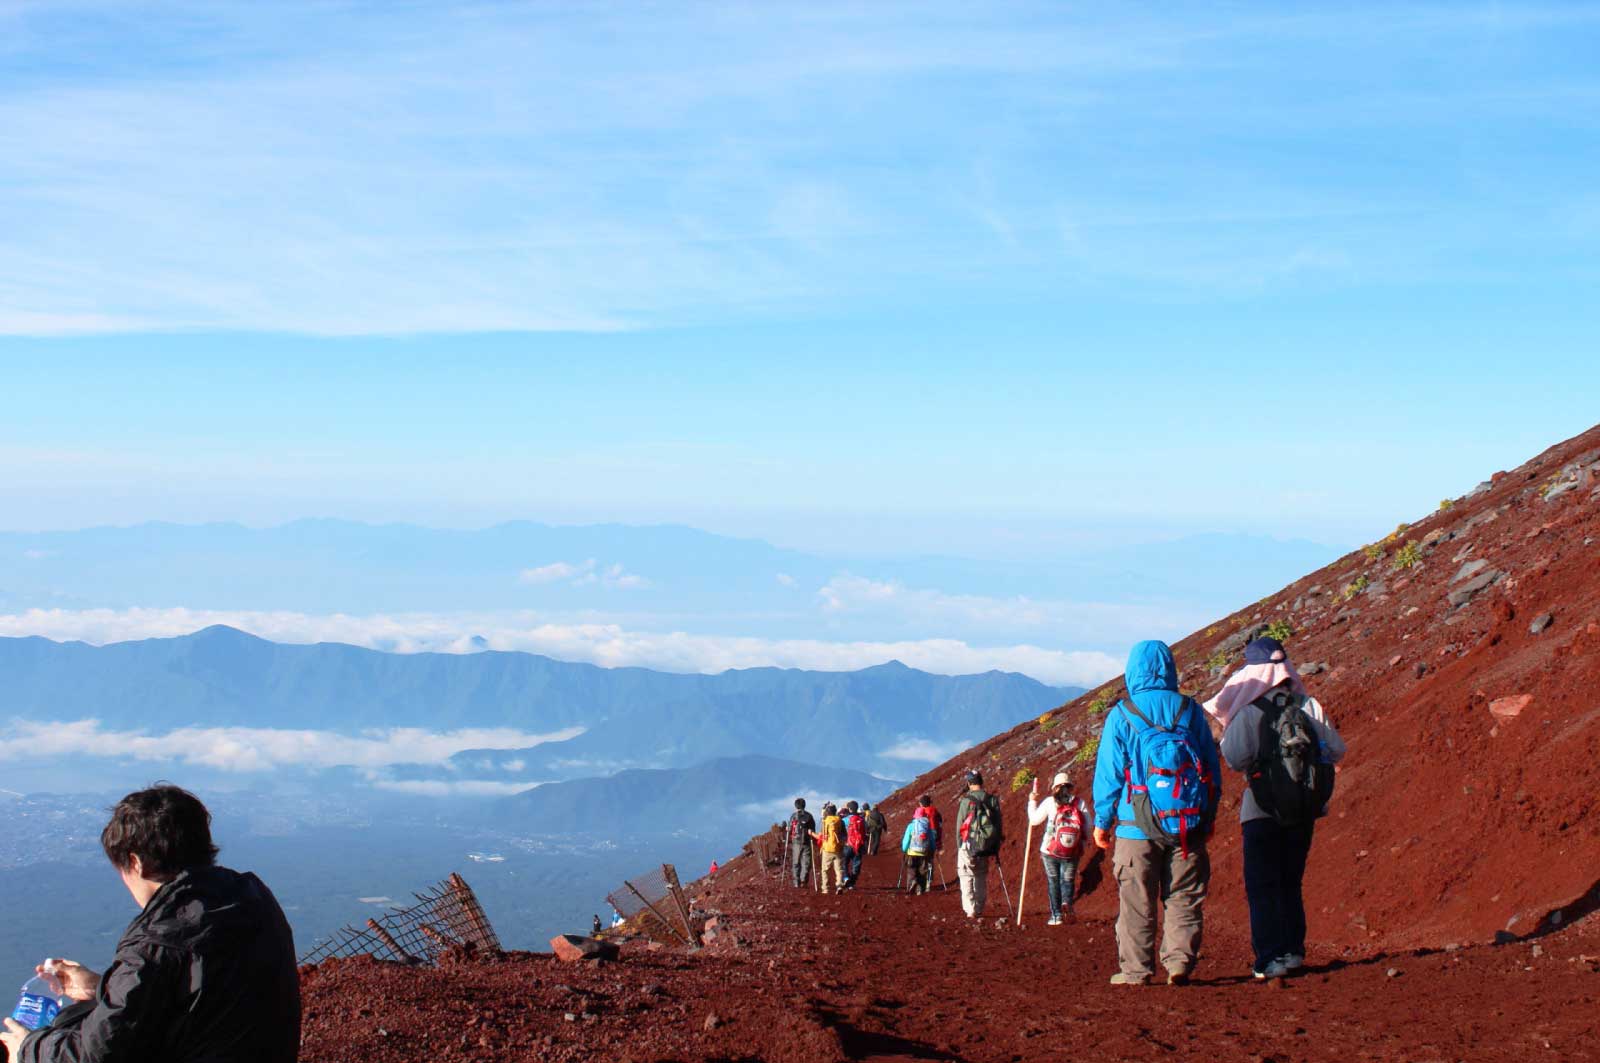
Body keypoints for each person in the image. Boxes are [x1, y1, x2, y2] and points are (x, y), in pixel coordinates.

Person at [1, 785, 301, 1063]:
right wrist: (100, 987)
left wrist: (27, 1049)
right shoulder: (249, 894)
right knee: (84, 1012)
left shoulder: (157, 941)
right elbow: (194, 991)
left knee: (65, 1025)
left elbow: (98, 1053)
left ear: (136, 863)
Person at [1092, 640, 1222, 986]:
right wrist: (1207, 819)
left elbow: (1109, 775)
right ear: (1169, 668)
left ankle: (1136, 970)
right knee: (1184, 896)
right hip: (1186, 823)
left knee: (1136, 900)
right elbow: (1210, 768)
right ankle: (1179, 963)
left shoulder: (1122, 714)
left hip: (1135, 827)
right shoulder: (1190, 711)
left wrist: (1102, 822)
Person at [1216, 637, 1347, 979]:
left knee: (1262, 886)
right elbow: (1336, 749)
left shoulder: (1249, 712)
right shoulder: (1309, 706)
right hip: (1303, 809)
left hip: (1260, 810)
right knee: (1291, 881)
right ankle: (1293, 951)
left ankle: (1269, 958)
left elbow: (1234, 758)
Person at [1027, 771, 1091, 925]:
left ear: (1055, 787)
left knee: (1053, 881)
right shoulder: (1079, 803)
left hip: (1049, 850)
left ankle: (1056, 916)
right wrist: (1081, 844)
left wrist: (1032, 802)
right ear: (1070, 787)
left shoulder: (1050, 802)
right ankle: (1067, 905)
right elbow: (1088, 827)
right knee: (1067, 880)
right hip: (1072, 851)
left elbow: (1034, 820)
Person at [954, 770, 1003, 918]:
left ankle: (971, 909)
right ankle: (980, 907)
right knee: (980, 876)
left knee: (966, 875)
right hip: (986, 845)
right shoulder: (992, 800)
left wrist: (960, 845)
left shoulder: (966, 801)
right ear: (981, 782)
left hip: (968, 844)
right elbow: (998, 823)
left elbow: (960, 825)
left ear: (969, 783)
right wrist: (995, 844)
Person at [809, 803, 847, 894]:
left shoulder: (825, 822)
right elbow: (845, 835)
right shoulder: (840, 821)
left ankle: (825, 888)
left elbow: (820, 837)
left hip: (827, 849)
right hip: (838, 849)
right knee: (839, 869)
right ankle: (839, 886)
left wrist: (811, 833)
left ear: (827, 812)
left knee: (825, 870)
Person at [900, 806, 935, 894]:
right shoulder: (928, 827)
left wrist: (904, 849)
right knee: (922, 872)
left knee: (911, 870)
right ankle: (920, 889)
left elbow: (907, 839)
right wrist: (933, 849)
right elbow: (931, 840)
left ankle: (911, 883)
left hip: (912, 852)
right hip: (924, 853)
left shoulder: (911, 826)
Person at [787, 798, 817, 888]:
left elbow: (789, 828)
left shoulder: (793, 816)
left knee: (796, 862)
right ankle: (803, 881)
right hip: (806, 841)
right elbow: (813, 829)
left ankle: (797, 882)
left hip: (796, 841)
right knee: (806, 863)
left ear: (796, 806)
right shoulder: (809, 816)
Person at [841, 801, 866, 889]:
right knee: (856, 864)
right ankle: (852, 882)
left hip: (847, 844)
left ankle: (846, 877)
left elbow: (840, 832)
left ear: (849, 809)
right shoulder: (861, 820)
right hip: (858, 845)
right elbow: (865, 832)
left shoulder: (844, 820)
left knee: (844, 863)